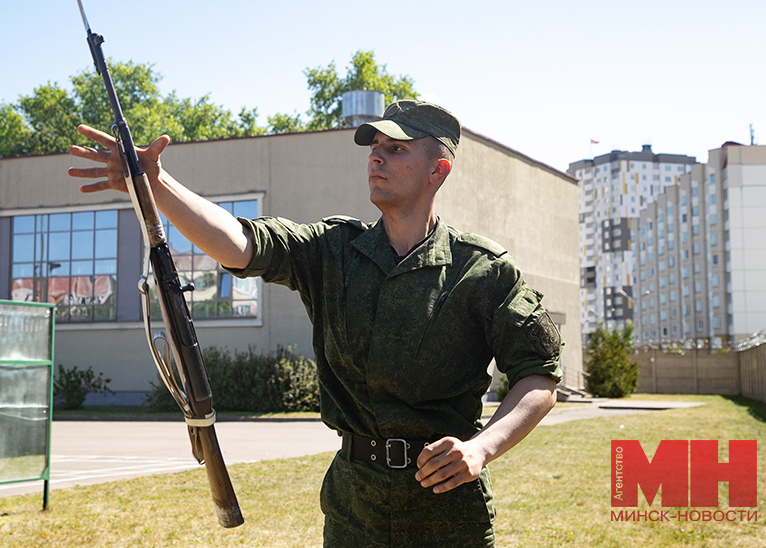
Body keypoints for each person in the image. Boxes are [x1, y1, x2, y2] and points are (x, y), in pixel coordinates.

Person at [68, 99, 562, 547]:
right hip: (355, 507)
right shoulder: (333, 250)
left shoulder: (482, 269)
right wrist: (156, 182)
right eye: (374, 147)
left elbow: (539, 376)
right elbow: (239, 244)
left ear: (438, 169)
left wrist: (482, 448)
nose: (376, 157)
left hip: (448, 512)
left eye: (396, 149)